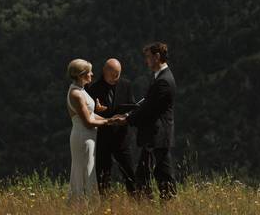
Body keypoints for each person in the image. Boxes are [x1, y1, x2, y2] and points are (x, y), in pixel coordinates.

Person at [66, 58, 125, 201]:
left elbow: (91, 114)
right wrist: (110, 121)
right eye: (89, 72)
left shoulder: (81, 90)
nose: (92, 74)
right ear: (81, 75)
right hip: (83, 137)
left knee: (88, 170)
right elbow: (88, 122)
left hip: (88, 137)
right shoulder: (76, 94)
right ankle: (81, 205)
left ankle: (86, 205)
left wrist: (109, 117)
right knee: (84, 171)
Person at [126, 41, 177, 201]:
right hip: (155, 134)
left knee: (162, 172)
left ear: (157, 57)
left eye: (148, 57)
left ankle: (166, 202)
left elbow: (149, 110)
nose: (146, 61)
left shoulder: (163, 80)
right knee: (147, 170)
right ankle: (146, 202)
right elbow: (147, 103)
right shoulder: (160, 77)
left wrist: (127, 119)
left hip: (158, 134)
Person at [86, 58, 137, 195]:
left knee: (130, 172)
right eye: (113, 74)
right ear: (104, 72)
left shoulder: (126, 85)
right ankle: (105, 204)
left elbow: (132, 106)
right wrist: (100, 113)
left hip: (122, 136)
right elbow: (88, 112)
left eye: (118, 74)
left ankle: (137, 201)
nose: (116, 77)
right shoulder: (93, 88)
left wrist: (125, 116)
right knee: (103, 174)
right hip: (102, 137)